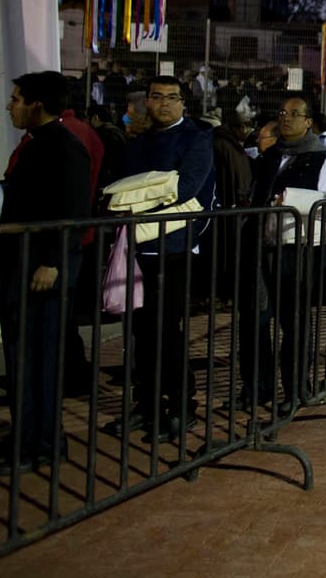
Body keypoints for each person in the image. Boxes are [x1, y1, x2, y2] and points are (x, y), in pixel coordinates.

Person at [0, 72, 91, 476]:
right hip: (19, 263)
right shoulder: (36, 145)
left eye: (16, 99)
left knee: (38, 359)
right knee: (21, 358)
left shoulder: (64, 148)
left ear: (36, 104)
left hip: (40, 268)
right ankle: (28, 436)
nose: (10, 106)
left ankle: (42, 444)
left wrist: (51, 261)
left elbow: (71, 208)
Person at [113, 75, 216, 443]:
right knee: (140, 331)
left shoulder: (197, 139)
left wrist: (137, 199)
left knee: (167, 330)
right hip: (137, 247)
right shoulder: (138, 142)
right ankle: (146, 403)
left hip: (174, 247)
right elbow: (120, 186)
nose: (164, 104)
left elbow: (185, 188)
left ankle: (182, 405)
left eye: (172, 97)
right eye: (157, 97)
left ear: (183, 103)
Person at [248, 97, 326, 414]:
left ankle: (295, 388)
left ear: (308, 122)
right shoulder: (269, 157)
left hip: (301, 253)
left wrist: (296, 202)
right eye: (282, 113)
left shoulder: (323, 161)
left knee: (294, 323)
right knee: (255, 320)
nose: (286, 119)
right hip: (263, 249)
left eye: (294, 114)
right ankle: (256, 388)